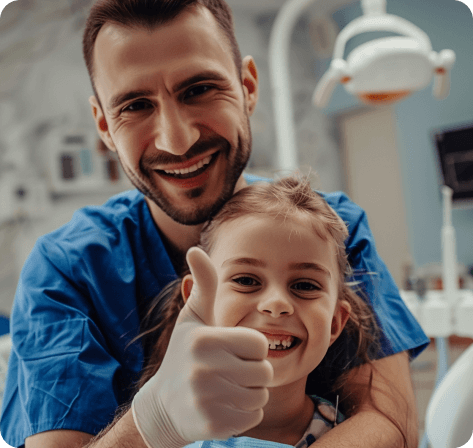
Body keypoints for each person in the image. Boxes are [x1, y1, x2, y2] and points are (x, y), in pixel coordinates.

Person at [0, 1, 429, 447]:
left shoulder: (331, 230)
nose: (177, 138)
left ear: (247, 86)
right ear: (105, 124)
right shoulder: (66, 271)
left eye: (199, 89)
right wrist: (154, 421)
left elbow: (390, 422)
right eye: (136, 105)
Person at [127, 176, 406, 448]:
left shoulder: (357, 439)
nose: (276, 304)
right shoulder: (167, 438)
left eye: (304, 285)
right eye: (246, 280)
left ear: (334, 323)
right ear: (197, 300)